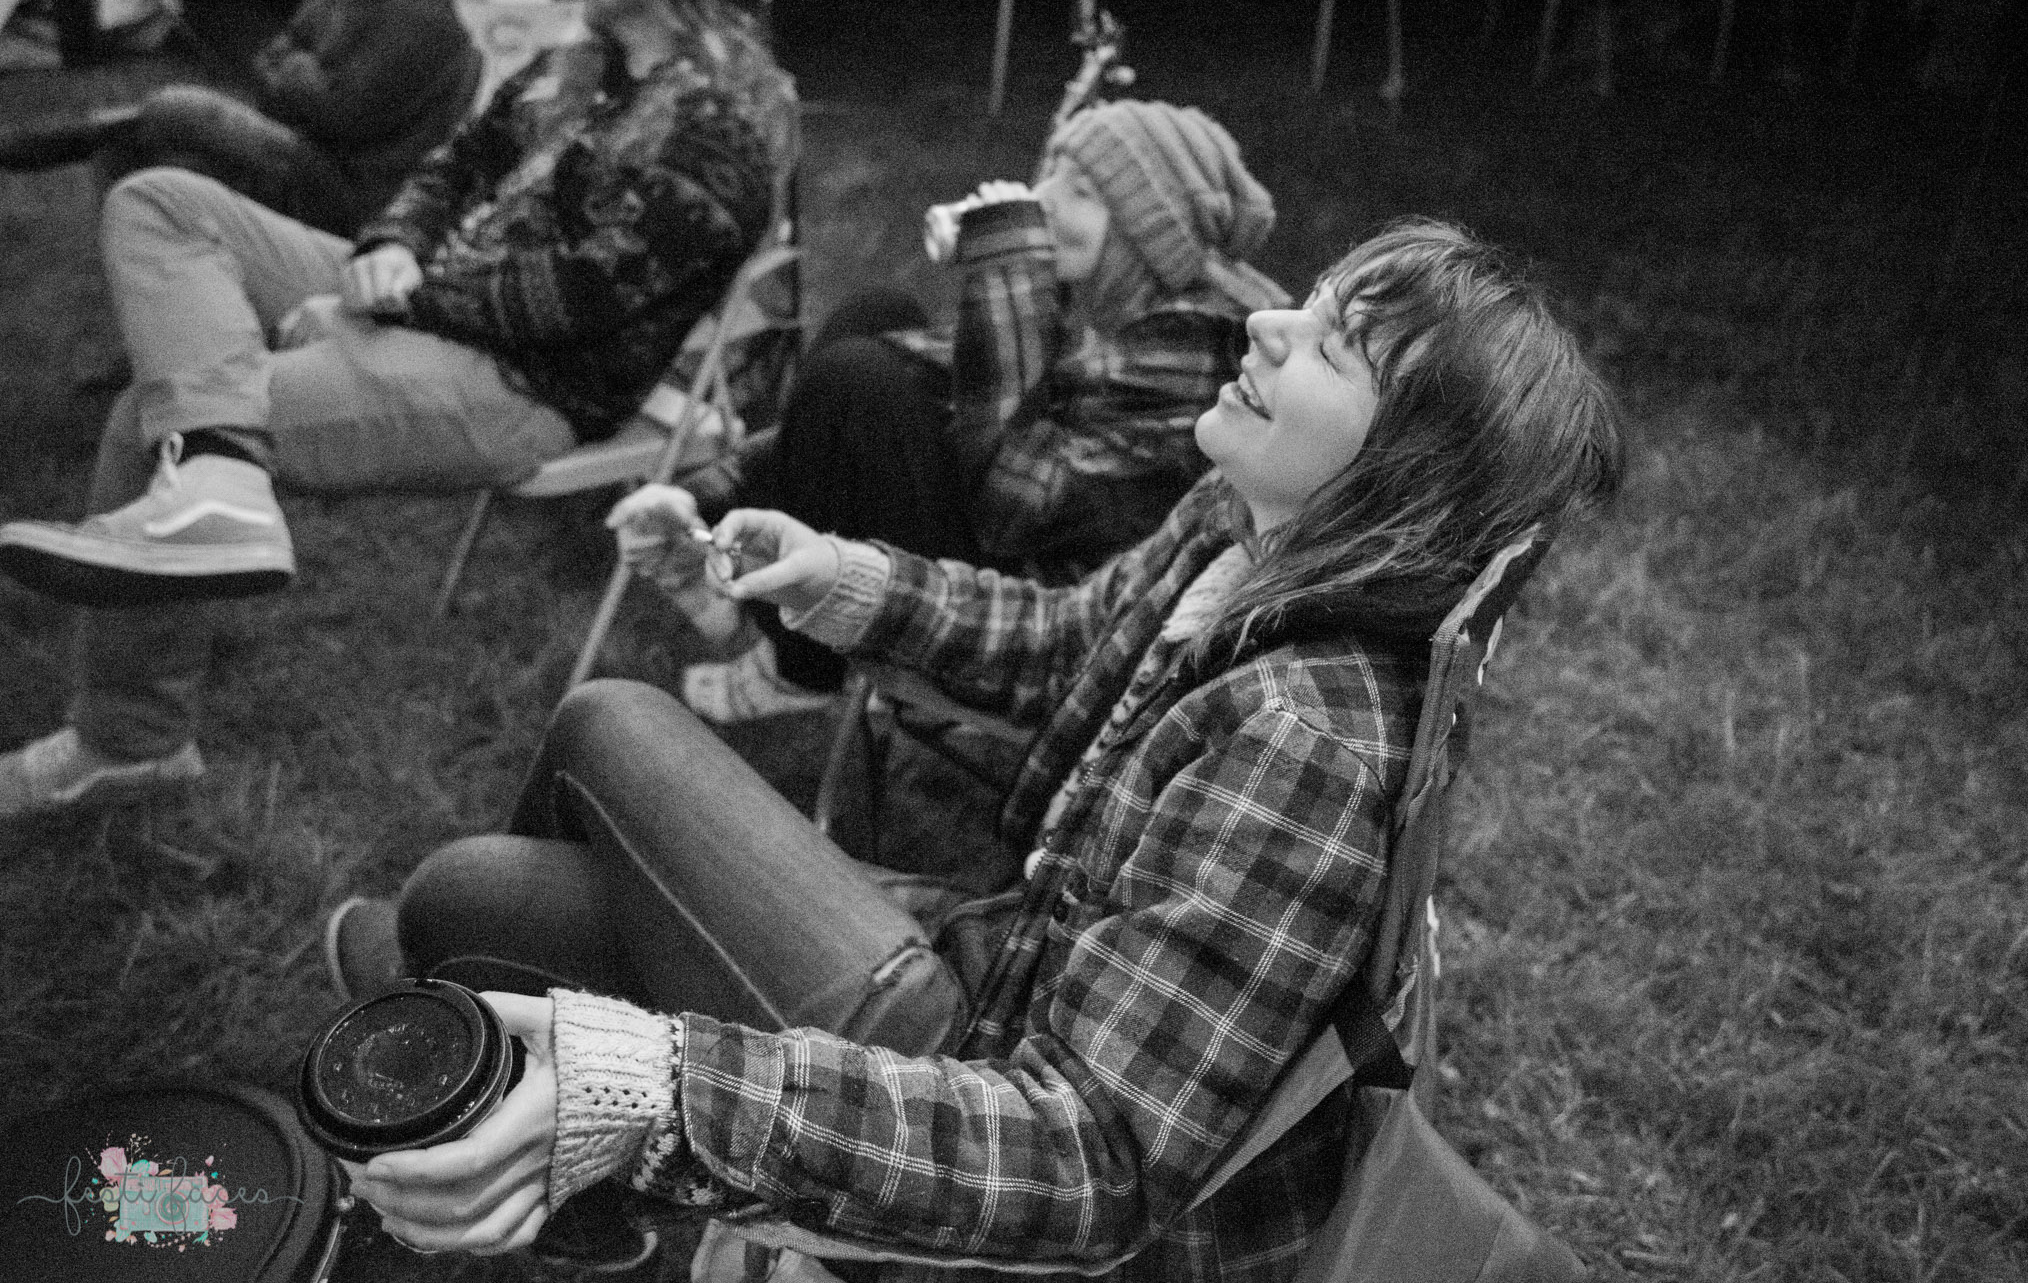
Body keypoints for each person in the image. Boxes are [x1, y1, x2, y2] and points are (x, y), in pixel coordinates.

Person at [329, 220, 1626, 1280]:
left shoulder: (1304, 743)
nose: (1265, 324)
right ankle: (543, 1164)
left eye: (1329, 347)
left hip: (995, 1099)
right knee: (463, 896)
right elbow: (1065, 640)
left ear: (1400, 480)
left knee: (605, 723)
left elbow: (1092, 1160)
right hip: (1001, 961)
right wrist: (838, 577)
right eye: (1311, 300)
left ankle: (499, 1116)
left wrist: (667, 1093)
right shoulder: (1240, 529)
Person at [0, 0, 796, 820]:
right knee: (163, 201)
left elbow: (582, 298)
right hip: (432, 295)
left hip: (524, 387)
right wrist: (391, 242)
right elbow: (449, 165)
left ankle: (130, 741)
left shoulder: (717, 137)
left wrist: (392, 299)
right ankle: (219, 474)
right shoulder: (575, 67)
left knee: (145, 416)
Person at [677, 98, 1291, 723]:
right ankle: (736, 545)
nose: (1046, 199)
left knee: (857, 376)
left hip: (1042, 607)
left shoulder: (1190, 351)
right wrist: (716, 487)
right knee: (877, 316)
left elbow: (1014, 511)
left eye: (1081, 191)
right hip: (1015, 524)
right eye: (1053, 174)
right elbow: (984, 388)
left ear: (1149, 235)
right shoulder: (1126, 301)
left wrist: (1011, 270)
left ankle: (798, 661)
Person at [108, 0, 481, 236]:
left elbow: (341, 116)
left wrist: (297, 70)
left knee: (175, 110)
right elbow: (268, 60)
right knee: (161, 160)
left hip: (340, 187)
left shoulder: (423, 18)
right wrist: (303, 76)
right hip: (306, 151)